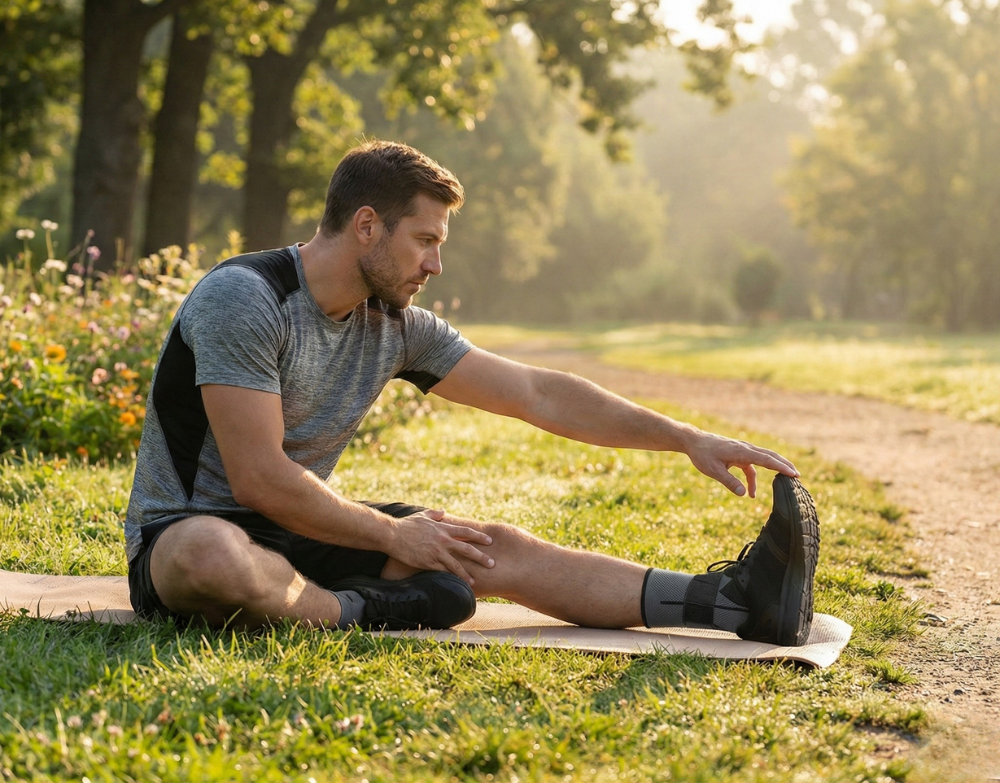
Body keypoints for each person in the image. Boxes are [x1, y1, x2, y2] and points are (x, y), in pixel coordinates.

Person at [124, 140, 819, 646]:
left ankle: (729, 602)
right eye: (424, 240)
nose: (435, 264)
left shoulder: (395, 325)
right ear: (366, 226)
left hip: (302, 534)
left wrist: (685, 438)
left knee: (486, 549)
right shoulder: (246, 299)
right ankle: (365, 612)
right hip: (186, 534)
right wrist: (393, 535)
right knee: (213, 554)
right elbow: (258, 478)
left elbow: (538, 394)